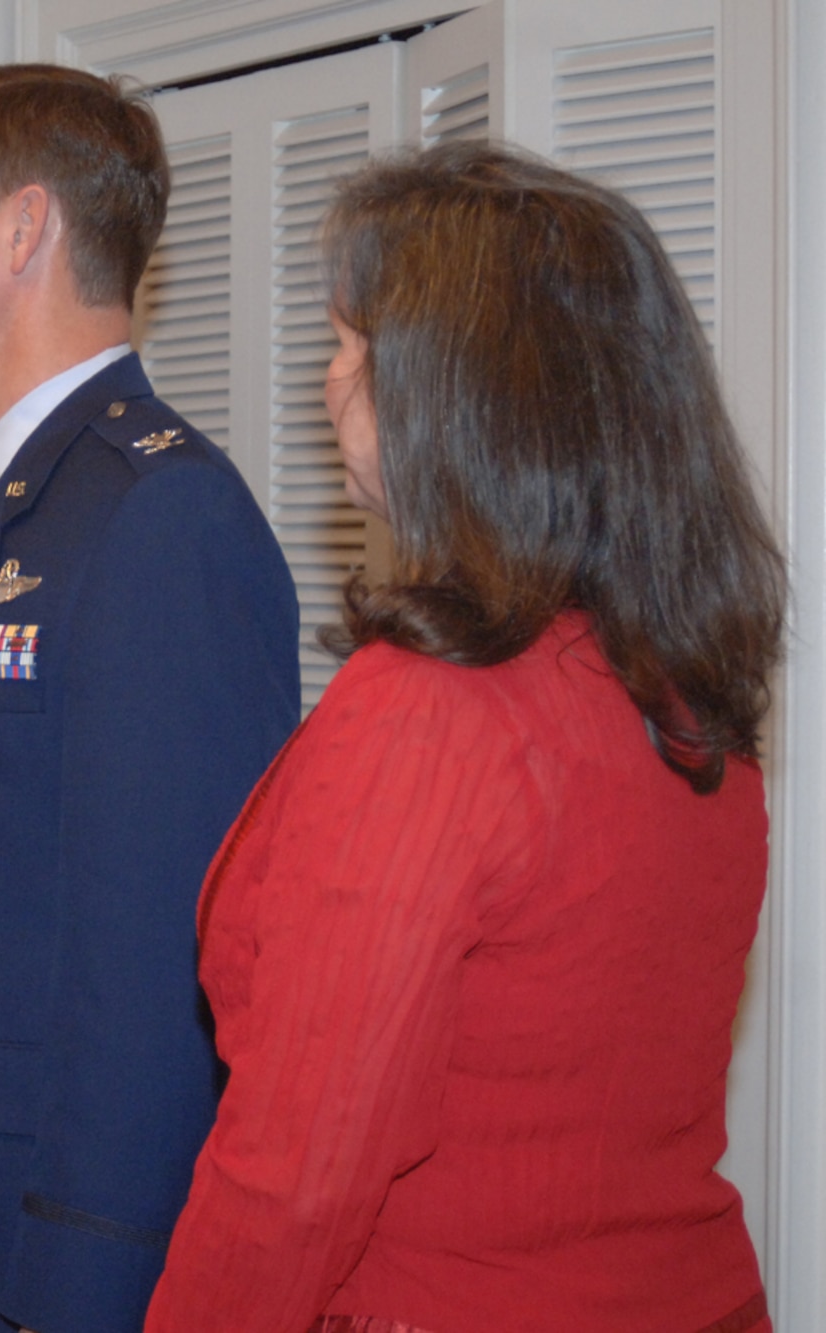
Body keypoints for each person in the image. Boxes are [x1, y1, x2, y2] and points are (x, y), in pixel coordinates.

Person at [144, 142, 783, 1333]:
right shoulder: (678, 689)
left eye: (348, 343)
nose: (327, 382)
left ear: (455, 394)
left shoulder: (432, 711)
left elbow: (295, 1180)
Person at [0, 65, 299, 1332]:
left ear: (21, 226)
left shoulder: (158, 512)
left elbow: (162, 970)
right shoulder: (8, 496)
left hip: (25, 1251)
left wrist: (88, 1284)